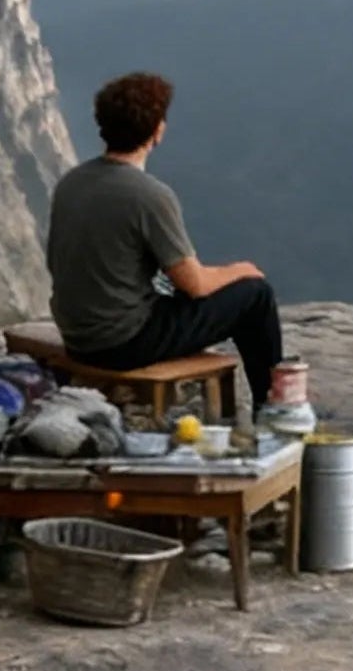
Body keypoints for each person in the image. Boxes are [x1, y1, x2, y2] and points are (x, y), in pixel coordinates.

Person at [46, 71, 282, 417]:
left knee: (183, 295)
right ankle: (274, 407)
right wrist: (241, 271)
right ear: (157, 131)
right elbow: (194, 284)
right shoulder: (150, 196)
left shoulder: (72, 181)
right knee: (256, 296)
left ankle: (271, 404)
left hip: (77, 334)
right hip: (123, 341)